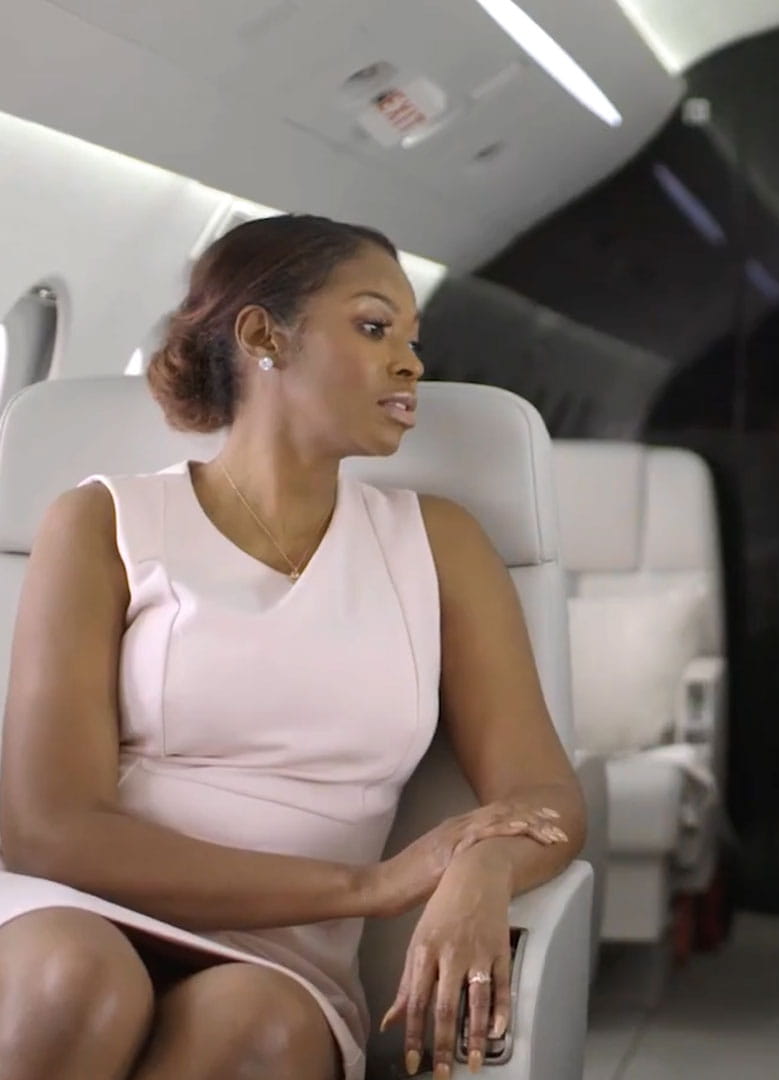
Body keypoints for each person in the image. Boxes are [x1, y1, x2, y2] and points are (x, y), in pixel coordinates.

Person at [0, 215, 588, 1080]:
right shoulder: (101, 522)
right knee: (71, 982)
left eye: (414, 340)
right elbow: (46, 828)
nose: (411, 364)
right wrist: (374, 888)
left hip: (286, 957)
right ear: (261, 336)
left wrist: (484, 870)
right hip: (79, 907)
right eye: (374, 327)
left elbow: (544, 793)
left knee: (256, 1030)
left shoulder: (441, 545)